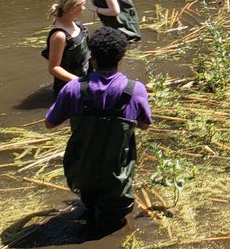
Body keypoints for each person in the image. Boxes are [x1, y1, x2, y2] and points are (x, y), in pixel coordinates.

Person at [45, 27, 152, 234]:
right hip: (117, 172)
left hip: (81, 170)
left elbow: (50, 123)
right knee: (113, 225)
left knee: (89, 209)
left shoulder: (73, 89)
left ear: (91, 57)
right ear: (121, 57)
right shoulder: (135, 90)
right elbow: (144, 125)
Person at [42, 0, 91, 93]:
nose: (84, 8)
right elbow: (54, 68)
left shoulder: (78, 24)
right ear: (73, 8)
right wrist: (80, 82)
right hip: (69, 88)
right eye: (83, 5)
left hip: (86, 78)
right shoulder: (59, 36)